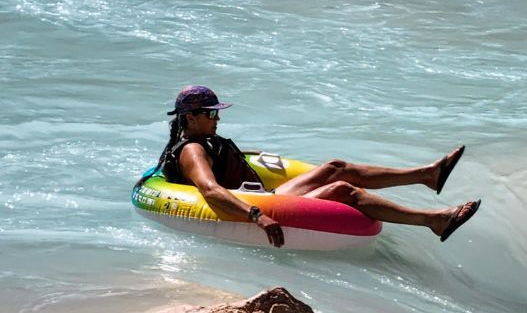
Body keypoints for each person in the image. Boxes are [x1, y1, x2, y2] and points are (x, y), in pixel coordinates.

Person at [150, 85, 480, 248]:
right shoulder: (193, 150)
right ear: (189, 118)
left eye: (217, 111)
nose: (217, 117)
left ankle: (427, 175)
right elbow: (209, 189)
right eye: (210, 113)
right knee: (342, 190)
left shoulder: (206, 142)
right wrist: (257, 216)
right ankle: (434, 221)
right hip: (256, 204)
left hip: (266, 193)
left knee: (336, 166)